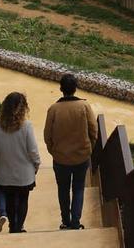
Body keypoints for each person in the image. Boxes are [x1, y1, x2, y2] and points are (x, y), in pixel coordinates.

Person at [43, 73, 98, 230]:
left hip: (60, 158)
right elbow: (94, 131)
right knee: (79, 188)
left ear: (61, 89)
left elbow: (47, 135)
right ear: (75, 88)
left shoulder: (53, 109)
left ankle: (65, 221)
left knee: (63, 189)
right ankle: (75, 222)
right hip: (81, 157)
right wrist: (89, 149)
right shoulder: (84, 107)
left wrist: (53, 151)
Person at [0, 91, 40, 233]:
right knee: (23, 199)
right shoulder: (27, 126)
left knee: (9, 199)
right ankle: (19, 227)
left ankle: (11, 225)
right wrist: (36, 164)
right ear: (24, 108)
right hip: (25, 174)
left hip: (4, 173)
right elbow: (33, 150)